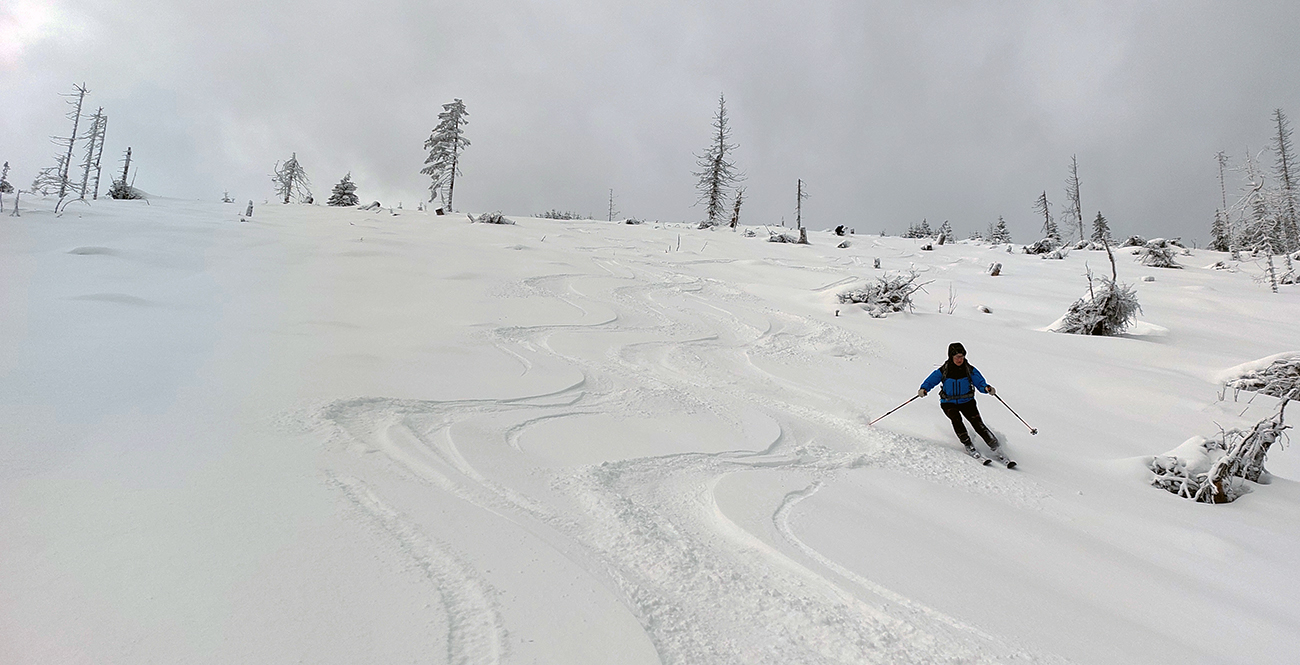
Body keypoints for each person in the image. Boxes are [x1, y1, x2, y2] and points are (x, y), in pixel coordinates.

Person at [918, 342, 1005, 461]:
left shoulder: (969, 369)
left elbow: (980, 383)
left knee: (978, 424)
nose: (960, 359)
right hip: (948, 402)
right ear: (951, 357)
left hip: (967, 401)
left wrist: (986, 388)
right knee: (956, 419)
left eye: (962, 357)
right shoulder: (944, 370)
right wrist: (924, 389)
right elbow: (931, 380)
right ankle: (968, 444)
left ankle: (997, 448)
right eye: (957, 357)